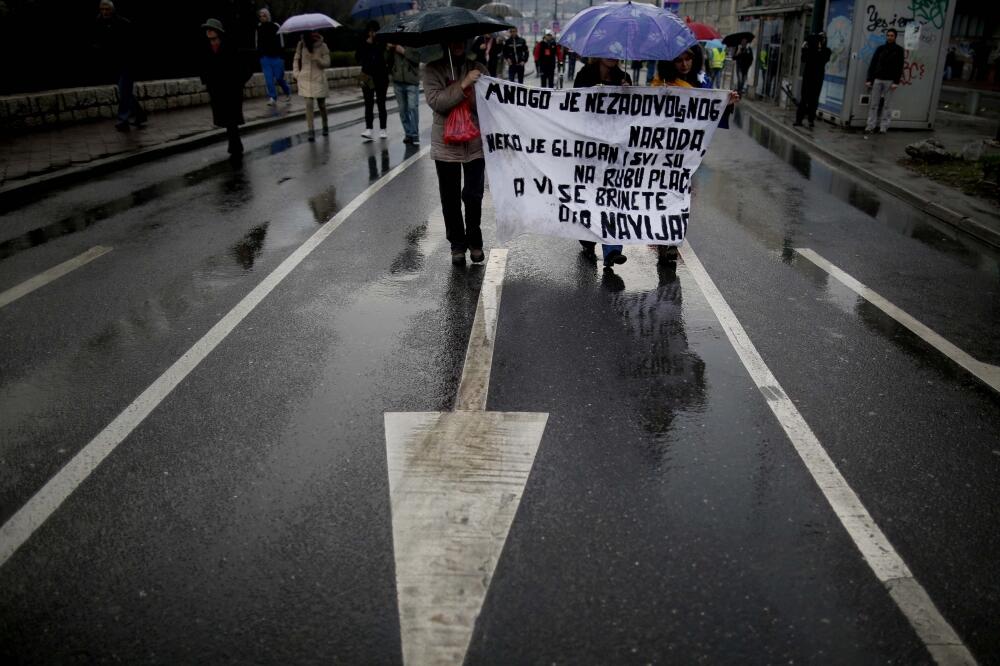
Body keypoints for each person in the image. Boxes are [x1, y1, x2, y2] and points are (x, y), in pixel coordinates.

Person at [652, 49, 739, 262]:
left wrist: (726, 103)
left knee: (681, 195)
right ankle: (665, 240)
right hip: (662, 151)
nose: (684, 64)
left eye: (688, 59)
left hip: (687, 152)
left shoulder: (702, 82)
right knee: (665, 194)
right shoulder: (660, 83)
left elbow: (711, 111)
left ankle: (671, 239)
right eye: (679, 60)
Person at [424, 41, 489, 266]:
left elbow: (489, 103)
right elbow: (437, 102)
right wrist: (463, 85)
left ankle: (475, 242)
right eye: (453, 40)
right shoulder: (433, 69)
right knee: (450, 198)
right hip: (446, 145)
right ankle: (457, 245)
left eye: (462, 39)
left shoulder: (478, 68)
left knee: (473, 195)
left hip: (475, 143)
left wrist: (472, 90)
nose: (458, 44)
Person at [573, 58, 632, 268]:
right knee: (589, 195)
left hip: (614, 147)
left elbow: (632, 114)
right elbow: (573, 106)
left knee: (612, 197)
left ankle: (612, 249)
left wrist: (628, 93)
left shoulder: (624, 78)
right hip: (588, 146)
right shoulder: (584, 75)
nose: (612, 56)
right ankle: (587, 240)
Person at [201, 18, 252, 157]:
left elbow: (245, 68)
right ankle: (235, 145)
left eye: (211, 29)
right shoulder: (206, 48)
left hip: (231, 90)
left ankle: (235, 146)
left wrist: (238, 83)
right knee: (226, 119)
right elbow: (204, 67)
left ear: (218, 32)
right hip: (217, 90)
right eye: (207, 29)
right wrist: (207, 81)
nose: (208, 32)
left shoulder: (230, 47)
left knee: (231, 119)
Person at [92, 0, 145, 131]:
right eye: (102, 9)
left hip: (127, 62)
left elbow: (133, 44)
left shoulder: (123, 23)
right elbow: (98, 41)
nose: (104, 12)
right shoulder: (98, 23)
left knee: (123, 91)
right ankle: (140, 114)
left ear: (112, 10)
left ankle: (123, 120)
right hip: (113, 63)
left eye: (107, 9)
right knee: (125, 91)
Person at [864, 28, 904, 135]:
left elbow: (899, 67)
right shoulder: (880, 49)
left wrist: (896, 82)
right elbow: (873, 64)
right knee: (874, 104)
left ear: (895, 37)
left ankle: (883, 127)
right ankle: (870, 126)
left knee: (887, 105)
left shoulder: (899, 50)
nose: (889, 37)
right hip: (877, 79)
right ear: (886, 36)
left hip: (890, 81)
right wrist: (869, 79)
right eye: (888, 35)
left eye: (892, 36)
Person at [293, 31, 330, 142]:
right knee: (309, 104)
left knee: (321, 105)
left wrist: (317, 58)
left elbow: (327, 63)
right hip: (305, 79)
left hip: (318, 79)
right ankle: (311, 130)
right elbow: (296, 60)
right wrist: (296, 74)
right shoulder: (301, 45)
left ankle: (325, 125)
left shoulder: (323, 46)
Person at [357, 21, 389, 141]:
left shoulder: (382, 42)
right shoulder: (363, 42)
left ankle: (383, 129)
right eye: (370, 31)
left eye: (374, 31)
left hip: (381, 76)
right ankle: (368, 128)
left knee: (381, 103)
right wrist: (366, 45)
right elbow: (358, 57)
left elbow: (383, 57)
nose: (372, 33)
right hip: (366, 76)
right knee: (368, 103)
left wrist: (374, 44)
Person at [793, 33, 831, 128]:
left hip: (817, 78)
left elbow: (824, 59)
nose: (821, 42)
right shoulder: (810, 51)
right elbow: (803, 59)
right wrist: (805, 49)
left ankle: (811, 119)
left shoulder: (826, 51)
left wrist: (817, 48)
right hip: (809, 77)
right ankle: (799, 119)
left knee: (813, 100)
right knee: (804, 99)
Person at [256, 8, 292, 106]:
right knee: (269, 79)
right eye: (260, 16)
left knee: (279, 78)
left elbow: (281, 41)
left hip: (277, 57)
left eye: (264, 15)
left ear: (268, 16)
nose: (262, 17)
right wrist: (260, 55)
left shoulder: (275, 26)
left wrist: (282, 55)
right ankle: (272, 97)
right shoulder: (259, 28)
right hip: (265, 58)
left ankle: (287, 91)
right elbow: (257, 42)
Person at [387, 43, 421, 144]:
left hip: (411, 82)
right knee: (402, 110)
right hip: (398, 82)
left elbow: (417, 59)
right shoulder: (393, 45)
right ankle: (408, 134)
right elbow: (387, 61)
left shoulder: (414, 44)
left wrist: (404, 52)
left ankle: (415, 135)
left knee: (412, 108)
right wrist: (389, 50)